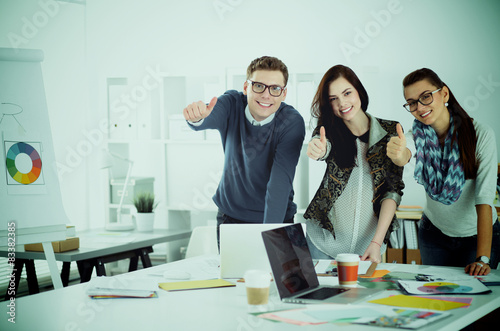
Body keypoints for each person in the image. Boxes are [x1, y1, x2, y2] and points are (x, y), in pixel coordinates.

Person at [387, 68, 499, 276]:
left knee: (475, 298)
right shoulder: (416, 136)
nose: (419, 107)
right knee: (435, 294)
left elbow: (484, 199)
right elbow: (405, 153)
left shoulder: (481, 135)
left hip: (477, 236)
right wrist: (398, 154)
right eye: (412, 102)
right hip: (433, 234)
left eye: (426, 97)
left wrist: (483, 259)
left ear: (444, 94)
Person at [182, 56, 305, 245]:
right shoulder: (231, 103)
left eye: (275, 89)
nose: (266, 95)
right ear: (246, 87)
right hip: (231, 217)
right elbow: (209, 116)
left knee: (281, 275)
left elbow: (279, 183)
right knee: (232, 274)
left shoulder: (291, 122)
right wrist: (197, 118)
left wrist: (269, 235)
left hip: (277, 218)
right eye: (258, 86)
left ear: (283, 94)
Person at [304, 65, 404, 263]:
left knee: (366, 295)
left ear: (359, 90)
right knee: (321, 294)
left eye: (347, 93)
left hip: (369, 248)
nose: (342, 103)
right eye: (333, 99)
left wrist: (376, 243)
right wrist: (318, 149)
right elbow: (323, 146)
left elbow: (392, 191)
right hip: (321, 245)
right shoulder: (328, 131)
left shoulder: (390, 131)